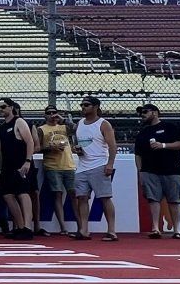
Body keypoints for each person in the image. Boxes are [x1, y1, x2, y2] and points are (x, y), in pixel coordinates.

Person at [134, 102, 180, 239]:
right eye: (141, 113)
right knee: (153, 199)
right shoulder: (143, 133)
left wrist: (163, 145)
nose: (142, 115)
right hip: (149, 170)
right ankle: (155, 228)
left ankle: (177, 229)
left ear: (154, 112)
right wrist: (140, 171)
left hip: (172, 169)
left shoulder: (170, 127)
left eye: (145, 112)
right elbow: (138, 154)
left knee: (174, 199)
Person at [72, 95, 119, 242]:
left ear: (95, 107)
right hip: (82, 166)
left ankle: (111, 230)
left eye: (86, 105)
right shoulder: (79, 123)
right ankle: (84, 229)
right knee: (82, 198)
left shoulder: (103, 124)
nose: (83, 108)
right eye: (82, 105)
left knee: (104, 198)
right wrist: (76, 149)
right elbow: (79, 142)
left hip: (99, 164)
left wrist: (110, 163)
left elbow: (112, 145)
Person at [0, 98, 38, 240]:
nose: (1, 110)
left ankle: (27, 227)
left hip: (20, 164)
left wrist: (27, 161)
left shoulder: (19, 121)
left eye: (3, 107)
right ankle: (19, 226)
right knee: (7, 195)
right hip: (7, 166)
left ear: (11, 107)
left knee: (23, 193)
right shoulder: (1, 127)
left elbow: (29, 141)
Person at [36, 104, 78, 236]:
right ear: (45, 115)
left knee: (74, 195)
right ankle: (63, 227)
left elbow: (77, 129)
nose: (52, 115)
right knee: (57, 194)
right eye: (49, 113)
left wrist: (63, 119)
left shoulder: (64, 127)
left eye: (54, 112)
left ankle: (80, 225)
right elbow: (38, 147)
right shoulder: (41, 129)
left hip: (68, 164)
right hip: (52, 165)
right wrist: (50, 148)